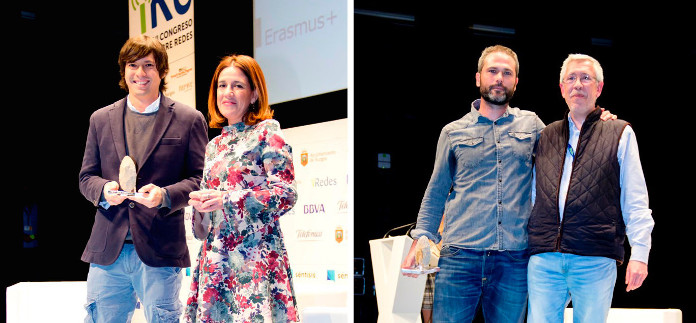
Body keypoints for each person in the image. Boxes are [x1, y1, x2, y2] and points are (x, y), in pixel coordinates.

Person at [400, 45, 615, 322]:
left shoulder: (534, 125)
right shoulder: (453, 132)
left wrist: (598, 120)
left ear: (516, 81)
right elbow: (436, 190)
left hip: (514, 258)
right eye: (492, 71)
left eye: (507, 73)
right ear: (479, 78)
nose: (499, 78)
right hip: (460, 256)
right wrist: (422, 238)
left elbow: (571, 136)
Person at [78, 34, 208, 322]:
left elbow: (200, 179)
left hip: (160, 250)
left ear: (161, 71)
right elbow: (86, 177)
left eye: (148, 65)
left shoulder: (189, 119)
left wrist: (165, 195)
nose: (140, 73)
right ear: (124, 71)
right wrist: (103, 190)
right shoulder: (100, 119)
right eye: (132, 65)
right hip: (108, 249)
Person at [526, 54, 654, 323]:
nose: (578, 84)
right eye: (570, 78)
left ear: (599, 87)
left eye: (586, 78)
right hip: (545, 260)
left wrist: (640, 254)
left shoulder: (619, 132)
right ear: (561, 89)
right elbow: (534, 196)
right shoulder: (545, 135)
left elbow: (635, 198)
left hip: (595, 258)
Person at [184, 54, 299, 322]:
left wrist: (227, 199)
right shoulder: (214, 145)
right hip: (215, 260)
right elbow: (206, 218)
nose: (228, 92)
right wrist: (200, 208)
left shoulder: (267, 132)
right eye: (222, 86)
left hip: (255, 258)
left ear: (254, 93)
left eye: (237, 85)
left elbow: (286, 194)